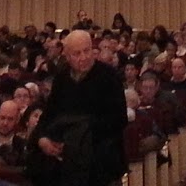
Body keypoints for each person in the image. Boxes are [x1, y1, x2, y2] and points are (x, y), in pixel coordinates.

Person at [30, 29, 127, 186]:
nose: (83, 58)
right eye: (76, 54)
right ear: (67, 56)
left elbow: (119, 119)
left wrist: (77, 138)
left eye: (87, 51)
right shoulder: (62, 78)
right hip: (64, 164)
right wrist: (42, 139)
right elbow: (49, 114)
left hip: (101, 162)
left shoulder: (108, 76)